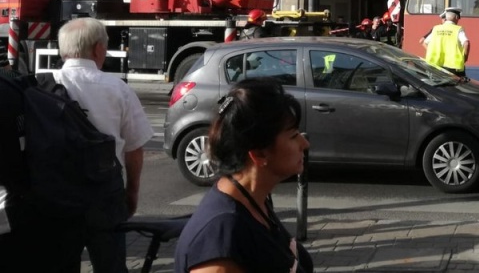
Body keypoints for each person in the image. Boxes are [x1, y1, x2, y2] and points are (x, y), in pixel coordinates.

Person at [175, 78, 313, 273]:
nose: (304, 144)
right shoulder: (222, 236)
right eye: (293, 136)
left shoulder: (255, 201)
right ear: (258, 154)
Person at [52, 17, 154, 272]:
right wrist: (131, 192)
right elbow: (134, 149)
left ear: (62, 49)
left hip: (56, 191)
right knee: (111, 264)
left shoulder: (42, 84)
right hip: (105, 192)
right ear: (98, 49)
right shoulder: (117, 88)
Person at [420, 7, 470, 77]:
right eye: (458, 18)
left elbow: (424, 42)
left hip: (435, 65)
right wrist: (465, 57)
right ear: (456, 17)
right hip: (453, 67)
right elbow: (466, 43)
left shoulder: (436, 28)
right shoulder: (458, 29)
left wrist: (432, 51)